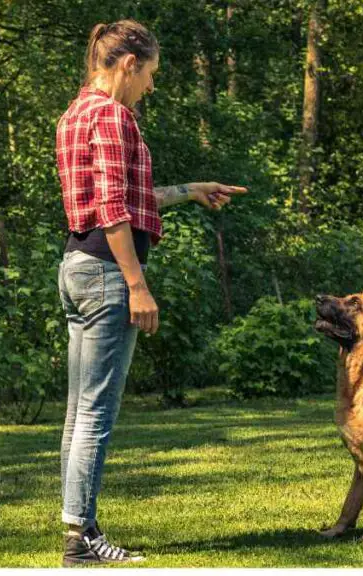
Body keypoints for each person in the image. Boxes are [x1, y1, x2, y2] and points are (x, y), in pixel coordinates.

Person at [54, 19, 247, 567]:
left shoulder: (76, 114)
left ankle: (77, 527)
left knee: (77, 413)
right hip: (107, 274)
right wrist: (138, 285)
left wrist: (192, 191)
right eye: (152, 75)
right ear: (129, 64)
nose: (152, 87)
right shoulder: (114, 116)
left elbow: (128, 198)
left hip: (77, 265)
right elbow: (115, 210)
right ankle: (82, 540)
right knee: (96, 413)